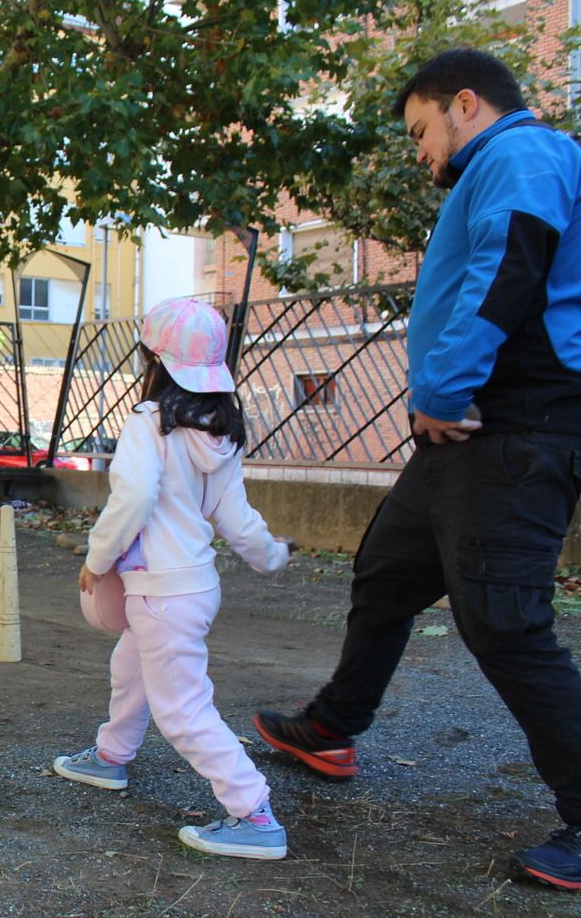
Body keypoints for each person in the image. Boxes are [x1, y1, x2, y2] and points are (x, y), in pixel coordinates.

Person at [254, 47, 581, 892]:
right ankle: (332, 727)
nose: (420, 150)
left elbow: (511, 263)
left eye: (420, 130)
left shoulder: (524, 152)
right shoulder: (503, 166)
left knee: (504, 623)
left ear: (465, 104)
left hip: (510, 426)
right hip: (460, 440)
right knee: (387, 573)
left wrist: (442, 384)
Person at [53, 297, 291, 860]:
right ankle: (111, 757)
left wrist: (96, 559)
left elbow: (132, 496)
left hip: (160, 589)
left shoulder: (149, 424)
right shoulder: (219, 433)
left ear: (153, 360)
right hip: (191, 586)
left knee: (182, 709)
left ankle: (253, 813)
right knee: (130, 666)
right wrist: (273, 557)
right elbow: (236, 518)